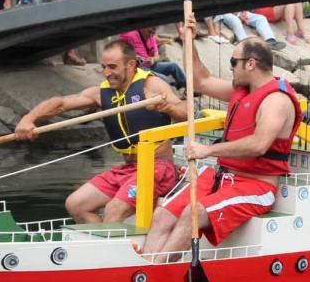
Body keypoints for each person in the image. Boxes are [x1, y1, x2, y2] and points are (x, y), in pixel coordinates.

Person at [141, 21, 303, 255]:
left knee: (192, 213)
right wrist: (189, 41)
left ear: (251, 63)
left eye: (233, 62)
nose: (231, 68)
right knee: (163, 214)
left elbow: (258, 145)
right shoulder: (243, 90)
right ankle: (146, 273)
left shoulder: (276, 100)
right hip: (223, 178)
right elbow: (200, 81)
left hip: (257, 186)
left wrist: (207, 151)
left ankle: (157, 273)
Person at [13, 40, 186, 224]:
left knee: (113, 210)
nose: (106, 73)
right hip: (127, 169)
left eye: (113, 67)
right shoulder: (101, 93)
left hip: (158, 167)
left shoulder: (151, 85)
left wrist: (167, 107)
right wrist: (29, 118)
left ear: (131, 64)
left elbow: (185, 113)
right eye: (104, 67)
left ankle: (110, 250)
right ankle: (107, 247)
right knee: (76, 204)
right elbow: (61, 104)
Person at [120, 25, 186, 88]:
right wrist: (134, 57)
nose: (150, 35)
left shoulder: (151, 36)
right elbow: (120, 49)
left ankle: (186, 87)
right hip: (139, 70)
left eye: (153, 32)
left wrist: (153, 59)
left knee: (173, 66)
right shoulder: (129, 35)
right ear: (142, 28)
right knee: (165, 79)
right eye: (149, 31)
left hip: (151, 66)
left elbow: (157, 55)